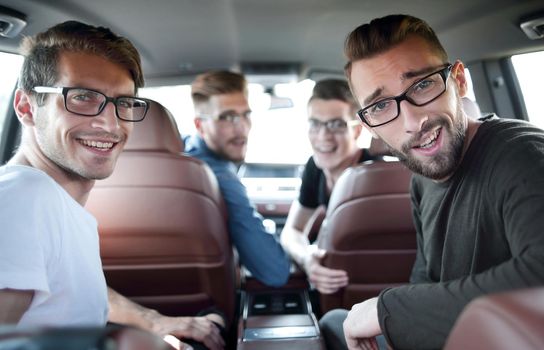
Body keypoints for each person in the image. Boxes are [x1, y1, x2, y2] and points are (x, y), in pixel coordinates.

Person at [319, 14, 544, 350]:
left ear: (459, 81)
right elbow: (425, 282)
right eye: (380, 106)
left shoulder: (522, 155)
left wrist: (386, 310)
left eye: (422, 85)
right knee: (334, 322)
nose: (413, 122)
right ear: (368, 126)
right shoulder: (423, 179)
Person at [0, 21, 224, 350]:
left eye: (123, 103)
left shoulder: (53, 203)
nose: (110, 124)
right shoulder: (24, 197)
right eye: (82, 98)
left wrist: (153, 322)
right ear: (26, 107)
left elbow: (56, 285)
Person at [184, 70, 291, 288]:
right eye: (227, 117)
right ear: (199, 125)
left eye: (246, 115)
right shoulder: (219, 177)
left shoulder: (180, 150)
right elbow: (275, 272)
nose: (241, 127)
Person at [280, 79, 380, 295]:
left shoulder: (377, 175)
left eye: (336, 125)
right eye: (315, 124)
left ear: (357, 130)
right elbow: (292, 231)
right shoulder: (314, 168)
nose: (323, 136)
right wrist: (307, 258)